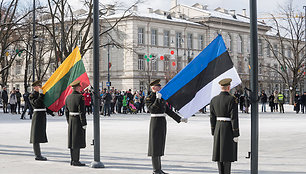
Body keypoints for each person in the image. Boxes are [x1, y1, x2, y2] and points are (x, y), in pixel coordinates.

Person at [145, 79, 188, 174]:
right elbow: (152, 109)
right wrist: (157, 99)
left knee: (160, 145)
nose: (160, 87)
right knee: (155, 146)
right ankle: (156, 170)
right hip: (155, 122)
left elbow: (168, 111)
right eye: (158, 86)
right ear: (153, 88)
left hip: (162, 122)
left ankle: (159, 169)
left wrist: (179, 119)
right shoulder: (149, 98)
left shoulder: (161, 97)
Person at [210, 78, 239, 174]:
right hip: (228, 128)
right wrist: (236, 133)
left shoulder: (214, 99)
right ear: (229, 87)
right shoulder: (232, 99)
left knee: (219, 154)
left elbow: (212, 117)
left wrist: (213, 130)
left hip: (218, 127)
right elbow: (234, 117)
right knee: (227, 154)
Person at [29, 80, 54, 161]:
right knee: (35, 136)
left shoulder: (42, 94)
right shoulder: (32, 95)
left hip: (42, 115)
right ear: (34, 87)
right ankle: (37, 155)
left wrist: (51, 112)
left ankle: (38, 154)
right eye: (38, 86)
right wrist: (40, 95)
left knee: (40, 134)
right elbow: (37, 104)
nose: (40, 87)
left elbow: (44, 105)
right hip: (37, 116)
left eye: (40, 86)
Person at [65, 80, 87, 166]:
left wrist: (69, 121)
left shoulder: (68, 97)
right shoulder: (80, 97)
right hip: (77, 120)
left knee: (71, 141)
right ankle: (76, 160)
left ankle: (72, 159)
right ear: (77, 87)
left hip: (71, 120)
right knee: (77, 141)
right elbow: (82, 112)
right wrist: (84, 123)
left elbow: (66, 112)